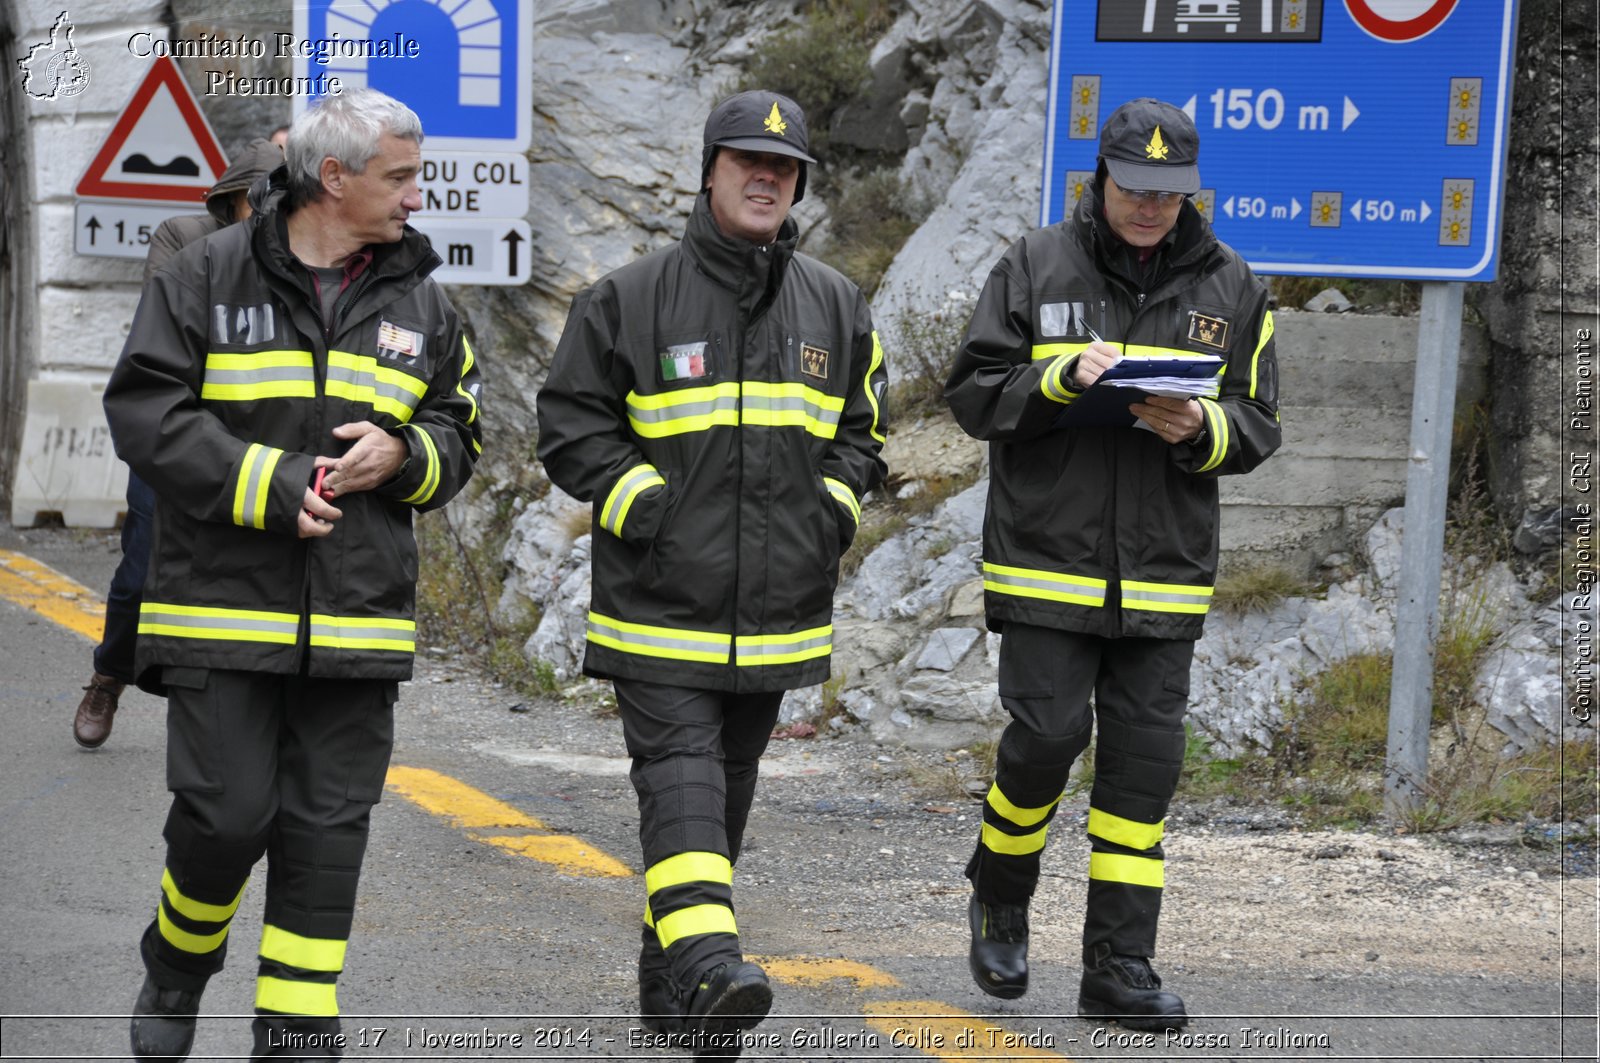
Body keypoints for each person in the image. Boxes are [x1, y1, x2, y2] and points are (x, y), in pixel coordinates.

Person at [103, 88, 483, 1060]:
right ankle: (178, 965)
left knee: (327, 835)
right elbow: (146, 410)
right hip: (222, 611)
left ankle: (297, 1029)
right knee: (226, 819)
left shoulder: (425, 301)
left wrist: (405, 457)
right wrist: (265, 481)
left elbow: (461, 429)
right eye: (399, 175)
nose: (415, 193)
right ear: (334, 177)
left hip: (358, 623)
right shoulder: (202, 276)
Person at [536, 90, 888, 1057]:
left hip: (781, 612)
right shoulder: (629, 297)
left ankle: (671, 983)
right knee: (683, 778)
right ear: (709, 171)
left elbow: (864, 436)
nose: (767, 178)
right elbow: (569, 426)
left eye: (784, 168)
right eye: (747, 162)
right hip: (660, 606)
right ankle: (711, 963)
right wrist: (644, 506)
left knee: (725, 790)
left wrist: (833, 514)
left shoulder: (836, 303)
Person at [944, 98, 1280, 1031]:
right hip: (1047, 565)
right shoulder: (1034, 263)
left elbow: (1258, 421)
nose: (1150, 209)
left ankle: (1118, 964)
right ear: (1101, 177)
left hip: (1167, 570)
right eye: (1135, 189)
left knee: (1142, 773)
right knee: (1047, 739)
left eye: (1169, 195)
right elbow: (972, 393)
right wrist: (1056, 381)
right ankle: (1002, 887)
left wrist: (1202, 426)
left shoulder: (1233, 285)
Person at [72, 137, 288, 751]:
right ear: (238, 199)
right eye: (264, 201)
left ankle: (214, 712)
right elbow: (169, 330)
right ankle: (109, 676)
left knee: (239, 579)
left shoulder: (297, 254)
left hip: (256, 443)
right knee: (142, 572)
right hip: (173, 433)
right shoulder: (182, 237)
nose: (275, 213)